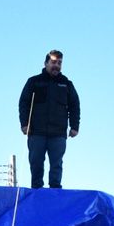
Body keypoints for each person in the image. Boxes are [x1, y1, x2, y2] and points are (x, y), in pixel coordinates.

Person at [18, 50, 80, 189]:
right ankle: (36, 191)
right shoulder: (34, 81)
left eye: (59, 63)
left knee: (56, 164)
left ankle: (55, 192)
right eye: (53, 62)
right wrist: (24, 124)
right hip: (36, 132)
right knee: (36, 163)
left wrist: (75, 126)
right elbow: (24, 103)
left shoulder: (66, 84)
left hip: (58, 133)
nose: (56, 65)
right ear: (46, 63)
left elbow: (75, 105)